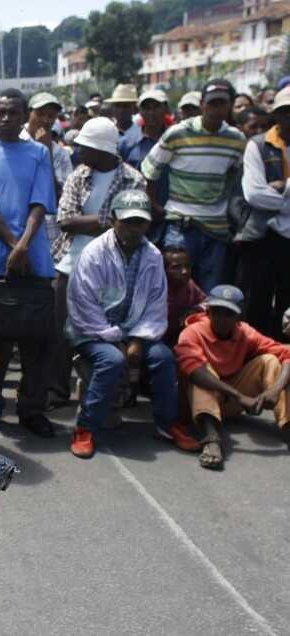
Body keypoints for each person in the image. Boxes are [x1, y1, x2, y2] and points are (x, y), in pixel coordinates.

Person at [67, 190, 200, 458]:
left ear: (148, 224)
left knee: (163, 357)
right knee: (112, 360)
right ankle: (86, 428)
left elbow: (155, 302)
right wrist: (115, 339)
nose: (133, 228)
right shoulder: (94, 253)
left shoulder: (152, 255)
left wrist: (139, 339)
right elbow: (83, 303)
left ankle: (167, 423)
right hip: (92, 330)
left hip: (136, 330)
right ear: (113, 219)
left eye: (139, 222)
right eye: (127, 221)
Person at [0, 89, 58, 438]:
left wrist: (22, 247)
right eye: (0, 112)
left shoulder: (38, 153)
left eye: (13, 112)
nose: (6, 118)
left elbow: (40, 204)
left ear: (23, 116)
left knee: (37, 340)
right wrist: (11, 245)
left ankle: (32, 409)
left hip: (34, 257)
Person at [50, 117, 146, 407]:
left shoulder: (133, 179)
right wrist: (111, 221)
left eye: (85, 147)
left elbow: (132, 226)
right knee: (60, 329)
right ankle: (57, 388)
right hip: (71, 262)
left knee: (105, 332)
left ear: (103, 149)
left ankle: (107, 394)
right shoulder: (78, 175)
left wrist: (99, 223)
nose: (80, 152)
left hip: (112, 266)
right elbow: (65, 220)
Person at [142, 79, 246, 293]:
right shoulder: (178, 133)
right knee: (174, 292)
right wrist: (155, 206)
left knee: (209, 293)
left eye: (222, 104)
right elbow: (150, 171)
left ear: (229, 106)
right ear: (202, 104)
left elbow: (235, 178)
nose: (216, 109)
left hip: (216, 230)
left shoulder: (236, 139)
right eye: (212, 103)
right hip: (181, 226)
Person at [176, 285, 290, 469]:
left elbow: (286, 354)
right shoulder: (192, 332)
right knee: (203, 372)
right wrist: (239, 396)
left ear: (239, 317)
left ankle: (287, 425)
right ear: (208, 311)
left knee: (269, 360)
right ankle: (211, 439)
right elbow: (195, 371)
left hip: (229, 398)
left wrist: (275, 390)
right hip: (197, 403)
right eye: (217, 312)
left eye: (228, 314)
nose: (221, 320)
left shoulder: (245, 331)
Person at [238, 87, 290, 338]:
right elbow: (254, 194)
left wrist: (285, 188)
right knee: (257, 301)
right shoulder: (257, 146)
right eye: (285, 112)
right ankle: (256, 361)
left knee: (287, 305)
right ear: (276, 116)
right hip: (264, 237)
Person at [119, 89, 171, 236]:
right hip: (135, 217)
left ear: (165, 109)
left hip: (169, 216)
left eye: (156, 107)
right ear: (139, 111)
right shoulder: (126, 143)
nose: (151, 112)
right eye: (146, 108)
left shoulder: (175, 140)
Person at [23, 92, 73, 196]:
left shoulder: (60, 154)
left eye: (51, 116)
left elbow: (62, 195)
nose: (45, 120)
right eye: (40, 114)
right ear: (29, 113)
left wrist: (47, 153)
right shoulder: (14, 141)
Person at [163, 247, 206, 346]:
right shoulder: (156, 289)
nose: (184, 271)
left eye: (187, 266)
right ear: (164, 269)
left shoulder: (189, 285)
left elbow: (207, 302)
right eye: (176, 267)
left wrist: (196, 310)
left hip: (180, 336)